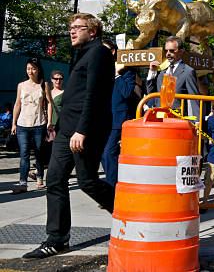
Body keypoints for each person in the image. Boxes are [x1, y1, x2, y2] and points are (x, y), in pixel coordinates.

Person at [23, 13, 115, 259]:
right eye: (71, 27)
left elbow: (95, 95)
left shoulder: (99, 53)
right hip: (67, 130)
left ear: (93, 31)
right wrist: (60, 127)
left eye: (78, 27)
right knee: (54, 179)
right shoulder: (83, 53)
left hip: (86, 129)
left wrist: (82, 130)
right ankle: (57, 239)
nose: (72, 31)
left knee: (87, 181)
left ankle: (128, 212)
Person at [11, 58, 54, 193]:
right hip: (22, 124)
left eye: (33, 68)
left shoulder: (44, 84)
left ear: (38, 69)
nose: (31, 71)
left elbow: (49, 103)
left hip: (38, 124)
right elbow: (17, 104)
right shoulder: (21, 85)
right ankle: (23, 182)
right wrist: (13, 123)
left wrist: (49, 122)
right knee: (24, 154)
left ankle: (40, 178)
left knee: (38, 153)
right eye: (29, 68)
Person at [101, 40, 136, 187]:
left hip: (118, 119)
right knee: (103, 154)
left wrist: (116, 75)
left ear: (113, 51)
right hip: (102, 119)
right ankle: (114, 182)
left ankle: (112, 188)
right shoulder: (100, 70)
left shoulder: (126, 72)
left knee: (109, 153)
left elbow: (127, 93)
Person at [147, 35, 200, 119]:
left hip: (177, 120)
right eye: (166, 50)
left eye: (171, 51)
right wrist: (152, 72)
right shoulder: (161, 71)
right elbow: (150, 92)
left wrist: (197, 122)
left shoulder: (188, 71)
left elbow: (194, 99)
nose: (168, 53)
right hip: (159, 118)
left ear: (180, 52)